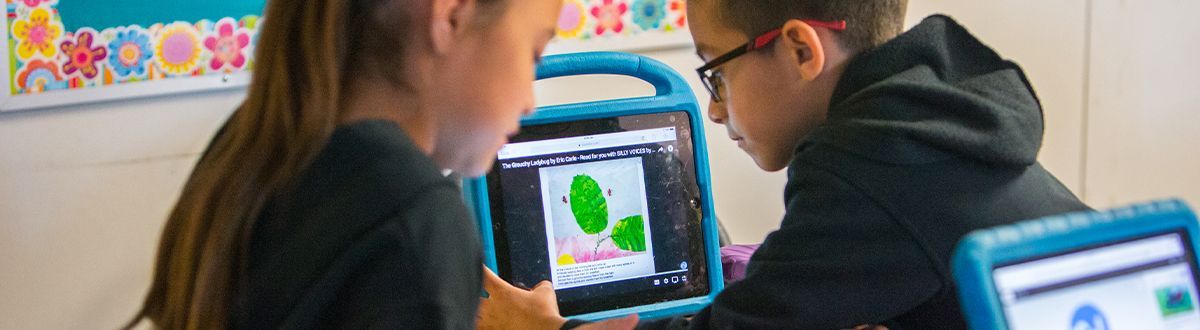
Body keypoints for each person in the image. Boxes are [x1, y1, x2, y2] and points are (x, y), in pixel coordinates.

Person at [478, 0, 1090, 328]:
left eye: (716, 69)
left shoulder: (873, 165)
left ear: (800, 49)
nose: (715, 112)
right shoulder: (935, 118)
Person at [125, 0, 562, 328]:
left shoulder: (250, 146)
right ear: (450, 16)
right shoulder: (415, 214)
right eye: (533, 54)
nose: (529, 99)